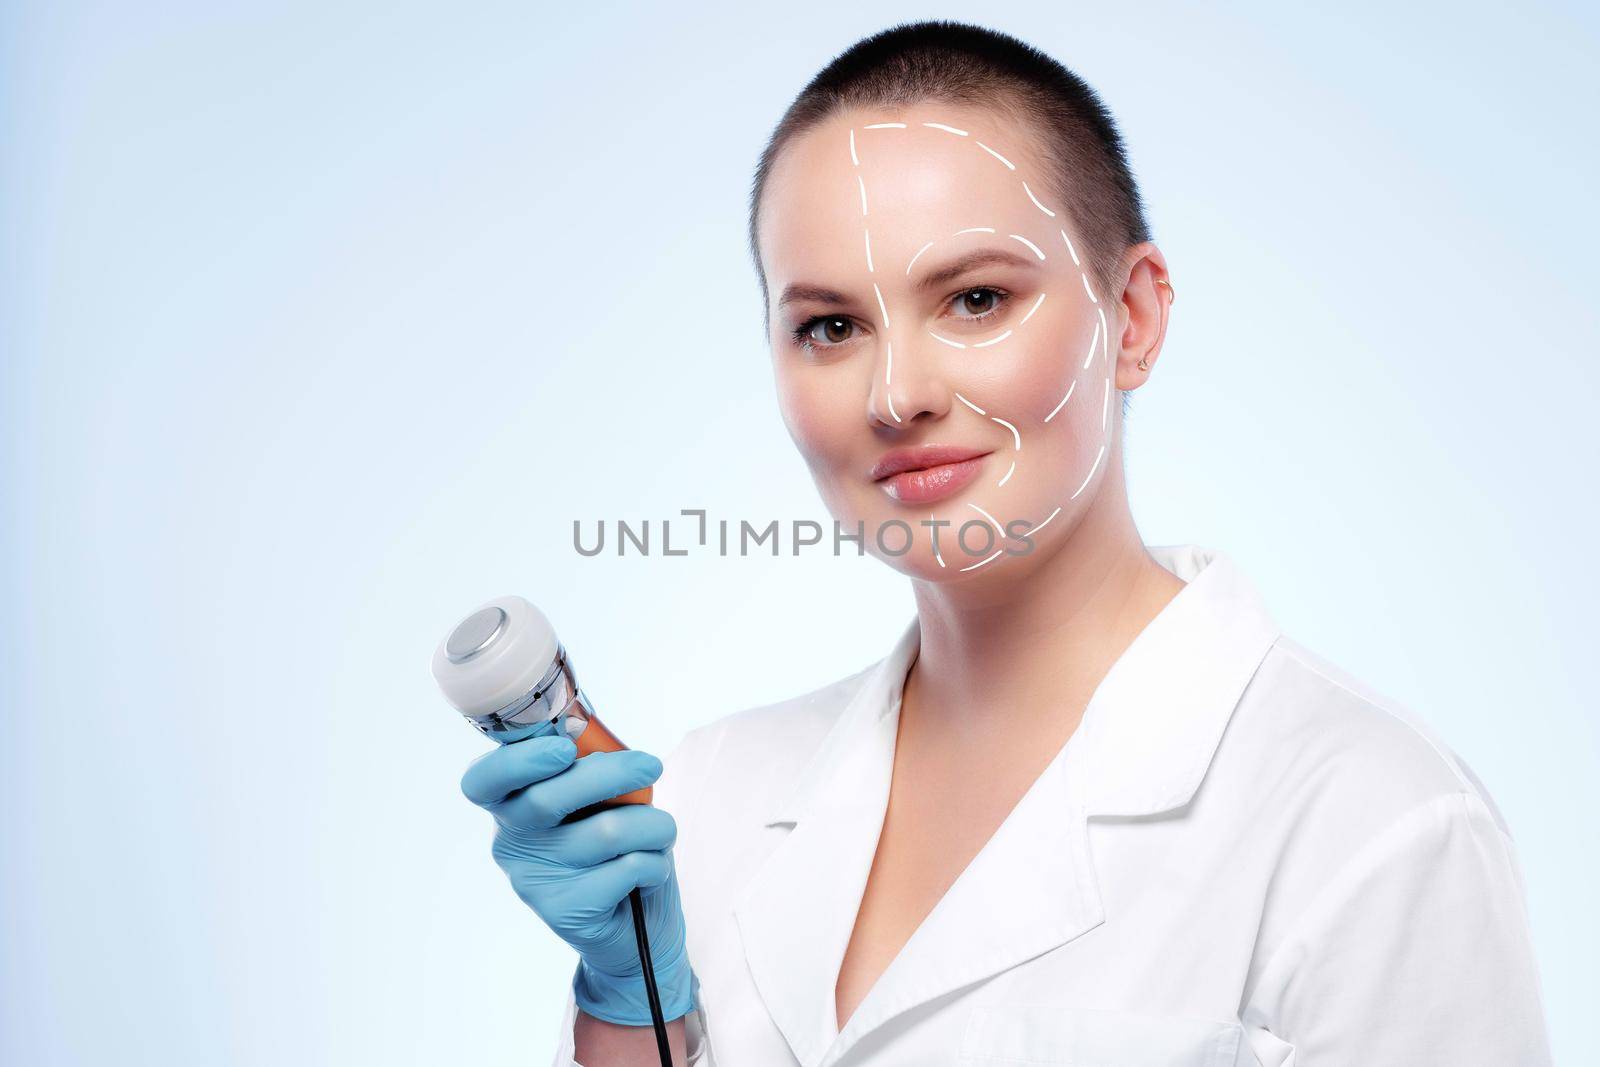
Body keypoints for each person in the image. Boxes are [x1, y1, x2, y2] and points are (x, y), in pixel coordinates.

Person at [458, 20, 1553, 1066]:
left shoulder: (1372, 823)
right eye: (829, 326)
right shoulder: (708, 796)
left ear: (1132, 318)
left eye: (976, 298)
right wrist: (628, 1011)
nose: (896, 395)